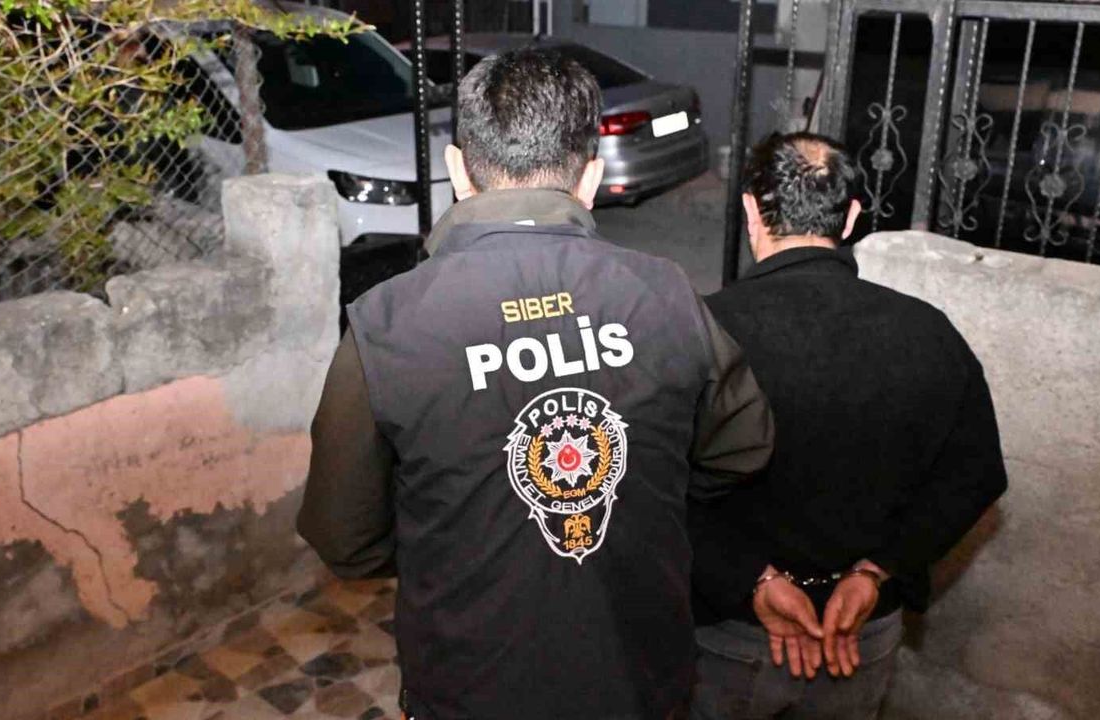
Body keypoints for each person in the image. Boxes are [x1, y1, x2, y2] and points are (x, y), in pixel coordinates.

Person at [297, 48, 775, 720]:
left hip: (468, 690)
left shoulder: (386, 324)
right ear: (592, 176)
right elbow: (744, 447)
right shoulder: (668, 294)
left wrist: (450, 531)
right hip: (642, 681)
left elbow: (344, 538)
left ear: (457, 170)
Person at [688, 132, 1008, 720]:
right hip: (859, 634)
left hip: (728, 636)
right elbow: (977, 475)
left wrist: (750, 579)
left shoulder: (701, 328)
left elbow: (649, 479)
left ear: (751, 211)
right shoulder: (929, 332)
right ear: (853, 217)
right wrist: (874, 571)